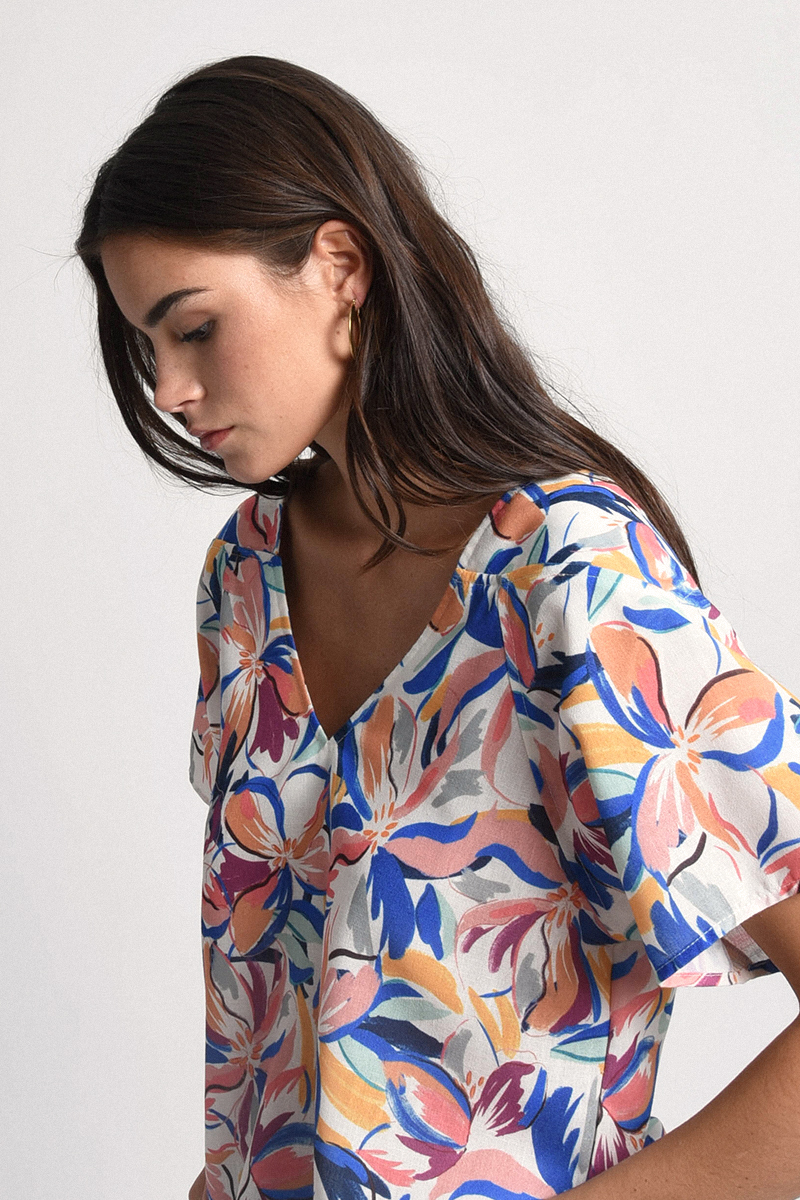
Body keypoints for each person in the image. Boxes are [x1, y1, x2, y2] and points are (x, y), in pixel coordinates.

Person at [75, 55, 800, 1200]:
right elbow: (273, 1037)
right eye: (144, 347)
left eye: (195, 328)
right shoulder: (242, 581)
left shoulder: (568, 573)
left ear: (339, 265)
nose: (167, 387)